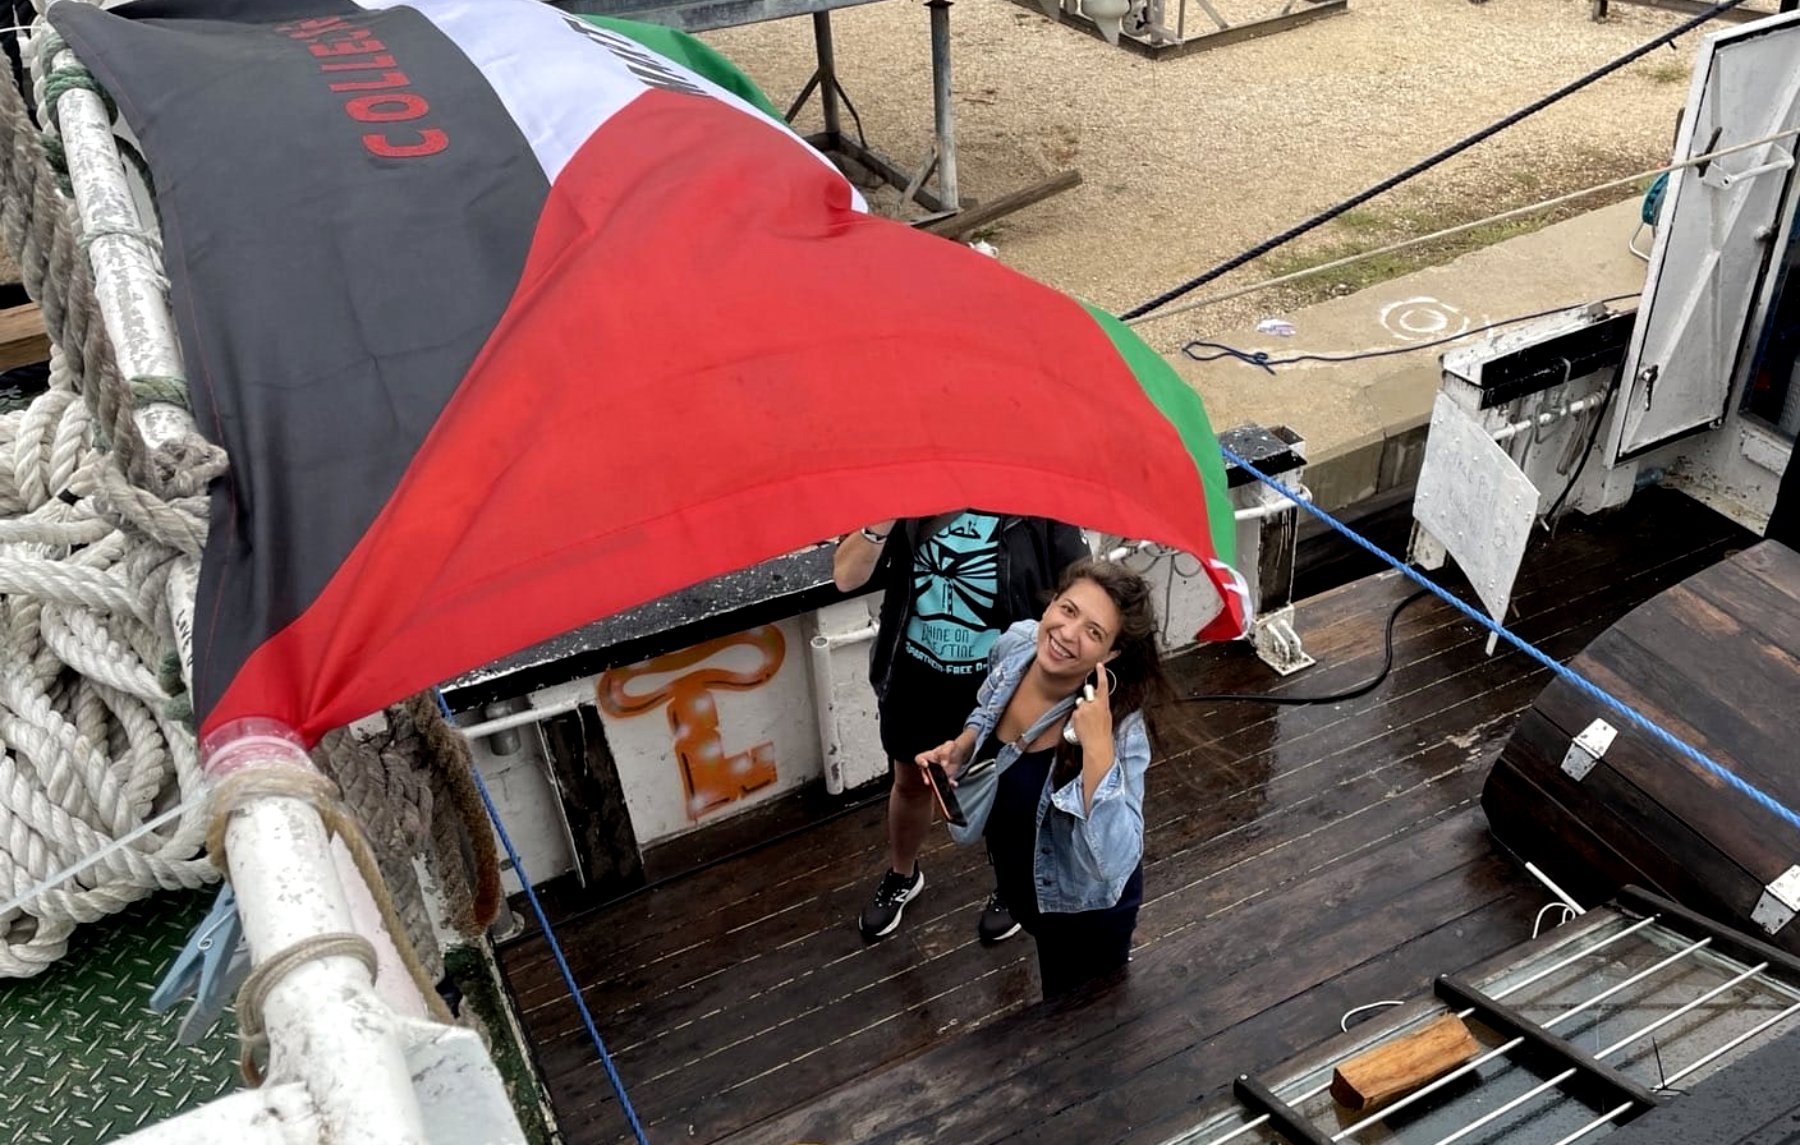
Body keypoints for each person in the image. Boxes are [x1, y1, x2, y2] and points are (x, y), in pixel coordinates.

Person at [917, 558, 1166, 997]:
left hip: (1081, 915)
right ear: (1052, 604)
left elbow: (1114, 864)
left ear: (1110, 655)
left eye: (1094, 632)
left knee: (1071, 1027)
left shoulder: (1120, 728)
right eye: (1068, 610)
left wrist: (1099, 752)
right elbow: (988, 704)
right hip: (1021, 884)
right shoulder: (1016, 645)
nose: (1068, 634)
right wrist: (966, 743)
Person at [834, 513, 1089, 943]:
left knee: (1004, 792)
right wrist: (883, 518)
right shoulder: (909, 493)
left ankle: (1011, 885)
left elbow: (1080, 587)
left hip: (1001, 682)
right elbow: (846, 577)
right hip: (915, 678)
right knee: (911, 783)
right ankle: (902, 874)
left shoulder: (1035, 503)